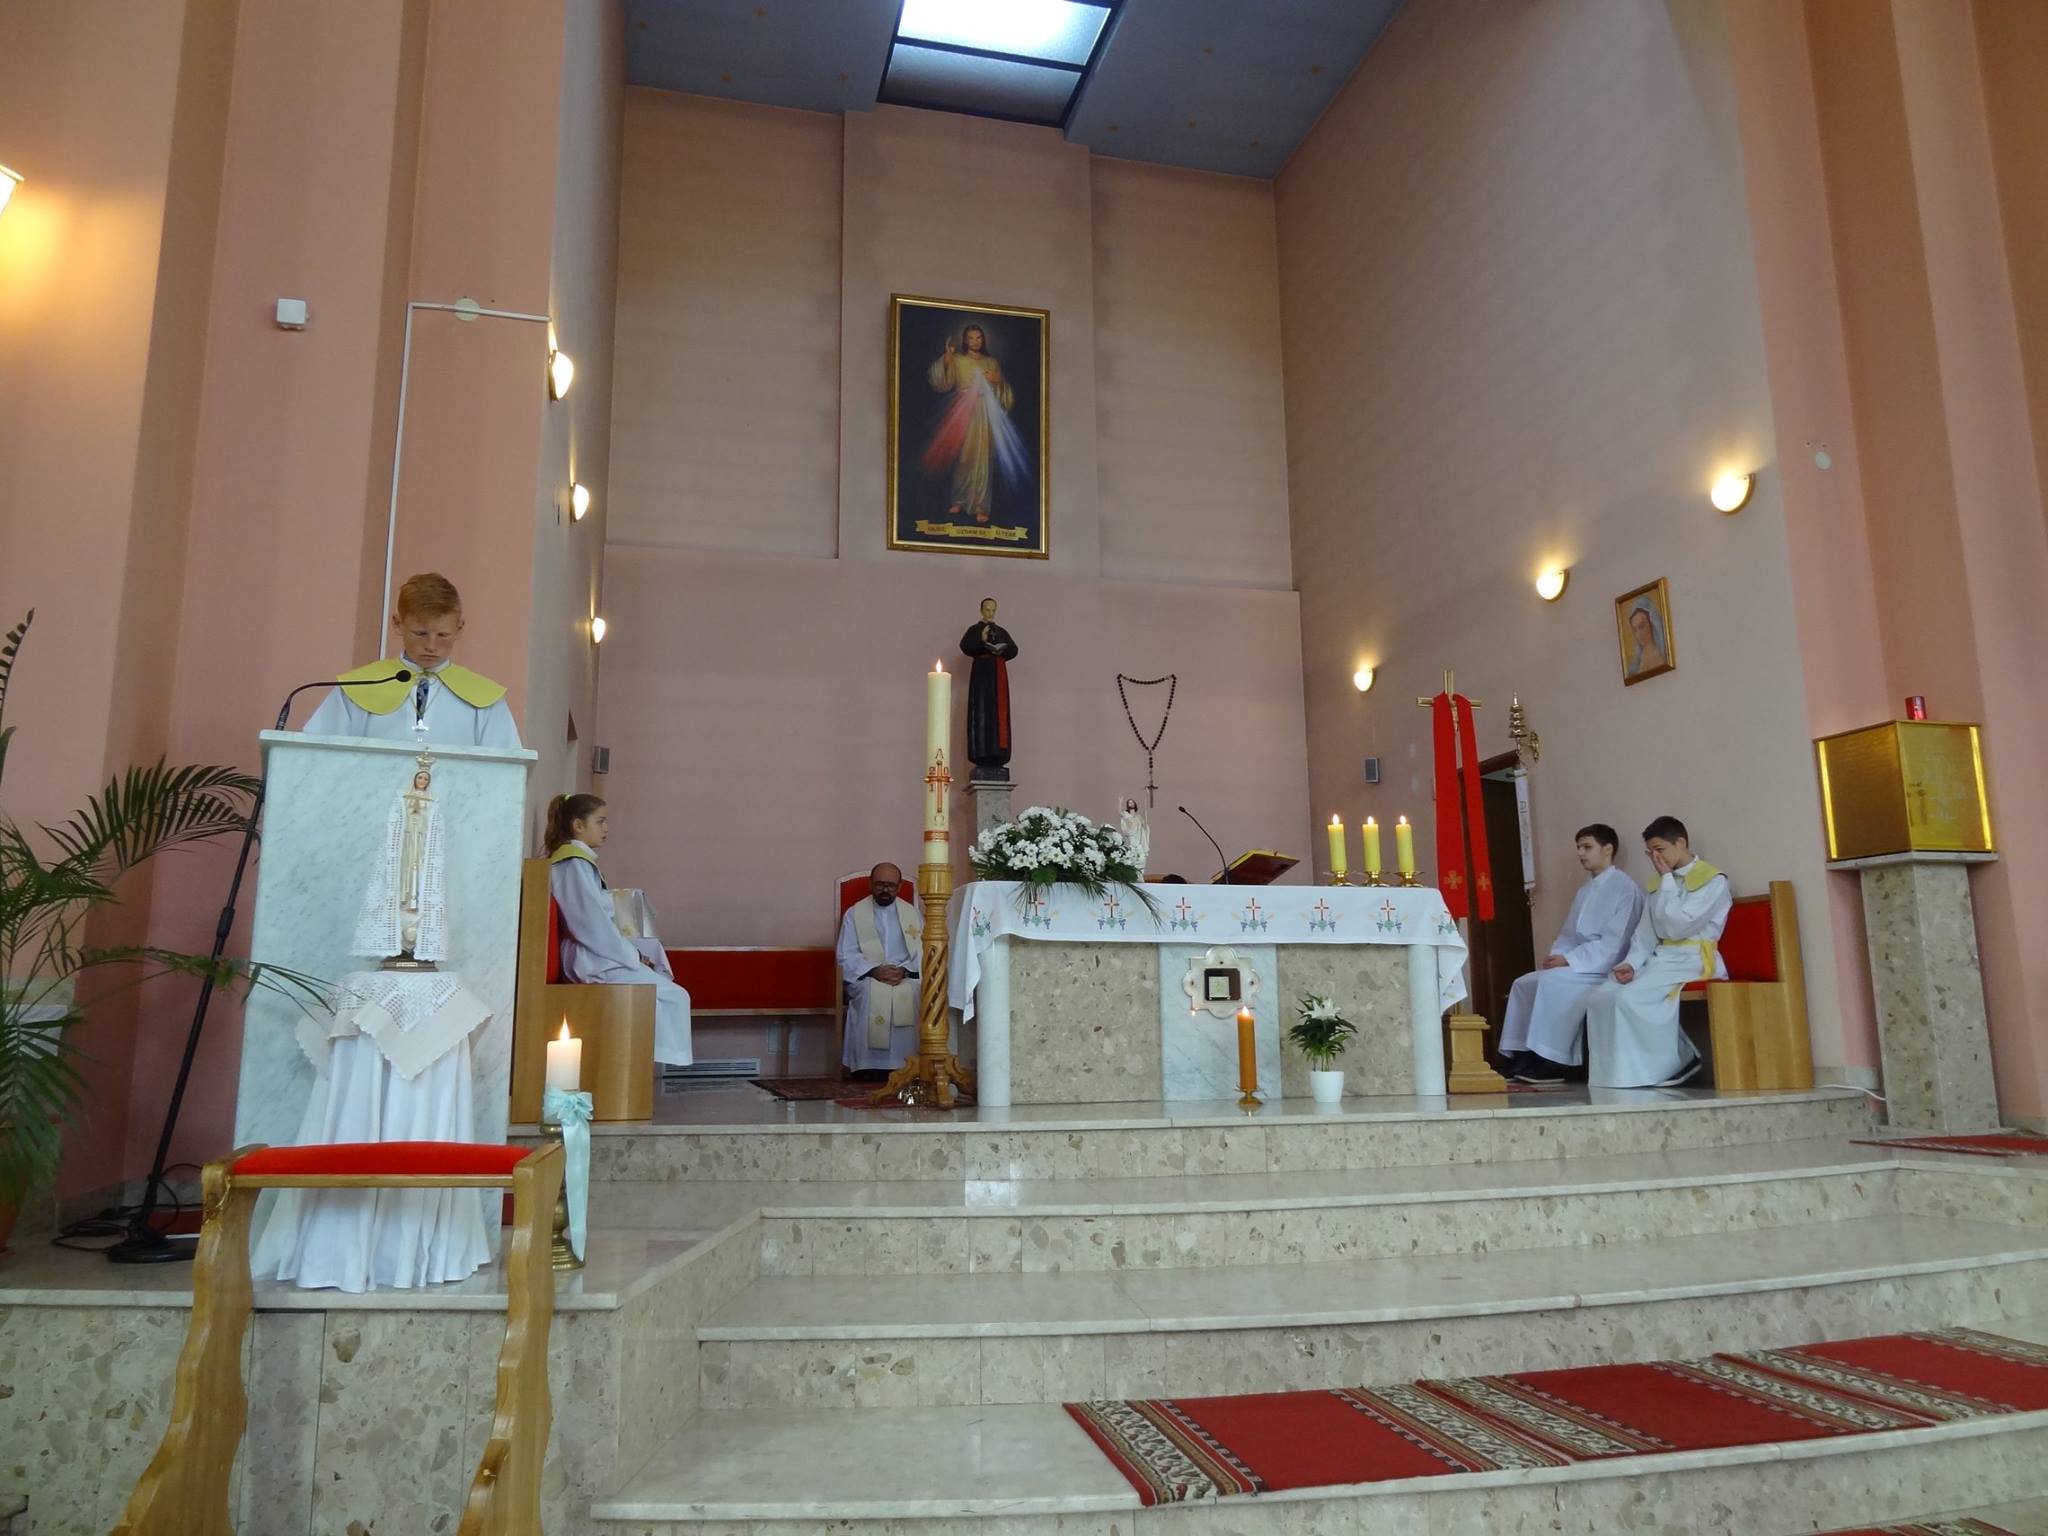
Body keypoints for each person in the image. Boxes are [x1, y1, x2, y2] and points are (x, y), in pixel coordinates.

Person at [1583, 816, 1732, 1088]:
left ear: (1681, 843)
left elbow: (1678, 926)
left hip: (1694, 959)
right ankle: (1616, 1075)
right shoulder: (1658, 884)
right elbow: (1645, 934)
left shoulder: (1712, 880)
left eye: (1660, 849)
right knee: (1601, 996)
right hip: (1663, 960)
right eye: (1650, 852)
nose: (1655, 858)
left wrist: (1667, 880)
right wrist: (1631, 964)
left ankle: (1673, 1062)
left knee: (1628, 998)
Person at [545, 794, 692, 1068]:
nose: (606, 828)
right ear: (578, 825)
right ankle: (639, 1063)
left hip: (595, 954)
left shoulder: (579, 862)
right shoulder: (572, 863)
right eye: (600, 821)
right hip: (589, 959)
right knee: (674, 997)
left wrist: (633, 954)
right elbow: (590, 925)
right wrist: (631, 956)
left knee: (668, 992)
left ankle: (641, 1063)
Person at [303, 571, 522, 748]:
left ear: (460, 628)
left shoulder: (484, 699)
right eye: (420, 633)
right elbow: (317, 754)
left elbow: (506, 769)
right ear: (397, 623)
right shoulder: (357, 688)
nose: (431, 646)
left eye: (443, 635)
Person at [1500, 825, 1644, 1084]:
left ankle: (1550, 1061)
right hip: (1579, 964)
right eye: (1578, 847)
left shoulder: (1626, 889)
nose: (1580, 853)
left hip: (1602, 968)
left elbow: (1615, 943)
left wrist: (1569, 960)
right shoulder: (1585, 890)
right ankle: (1520, 1056)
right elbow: (1569, 934)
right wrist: (1557, 956)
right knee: (1523, 983)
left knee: (1551, 984)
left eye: (1587, 847)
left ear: (1608, 849)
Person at [924, 322, 1026, 524]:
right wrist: (946, 361)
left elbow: (1004, 393)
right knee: (964, 456)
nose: (975, 341)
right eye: (971, 338)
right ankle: (960, 500)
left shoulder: (991, 362)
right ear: (965, 340)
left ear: (983, 340)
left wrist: (998, 381)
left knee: (983, 457)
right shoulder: (958, 359)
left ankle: (980, 505)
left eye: (979, 338)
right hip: (962, 411)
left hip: (985, 412)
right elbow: (942, 382)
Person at [838, 862, 922, 1075]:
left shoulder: (912, 915)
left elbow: (922, 953)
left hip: (904, 974)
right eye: (880, 884)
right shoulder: (854, 914)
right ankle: (868, 1066)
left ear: (899, 886)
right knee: (868, 992)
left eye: (891, 885)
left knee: (914, 991)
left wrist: (904, 971)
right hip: (868, 975)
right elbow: (845, 954)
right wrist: (874, 970)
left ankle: (908, 1065)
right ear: (870, 884)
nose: (885, 889)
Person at [959, 597, 1020, 782]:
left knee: (998, 716)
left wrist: (1001, 649)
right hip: (982, 678)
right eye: (987, 609)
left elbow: (1013, 649)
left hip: (998, 677)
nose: (990, 613)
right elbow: (966, 646)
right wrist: (983, 641)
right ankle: (982, 753)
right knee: (982, 712)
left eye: (993, 610)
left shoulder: (1001, 631)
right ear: (981, 610)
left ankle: (998, 755)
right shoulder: (974, 630)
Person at [1625, 599, 1668, 678]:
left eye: (1641, 626)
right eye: (1635, 630)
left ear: (1652, 624)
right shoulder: (1636, 662)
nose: (1638, 634)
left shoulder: (1661, 655)